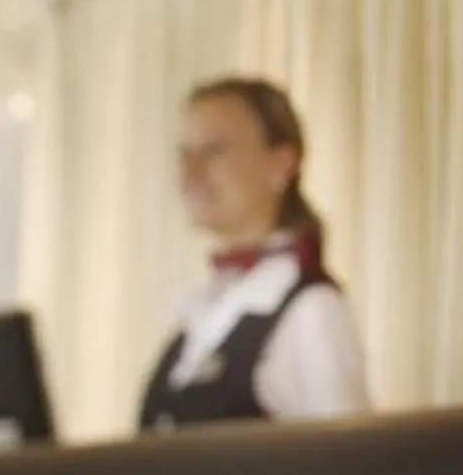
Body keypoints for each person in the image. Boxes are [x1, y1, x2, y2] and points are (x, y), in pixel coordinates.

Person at [138, 76, 372, 429]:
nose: (190, 173)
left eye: (214, 151)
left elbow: (352, 470)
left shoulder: (311, 310)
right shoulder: (202, 309)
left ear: (280, 164)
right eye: (184, 154)